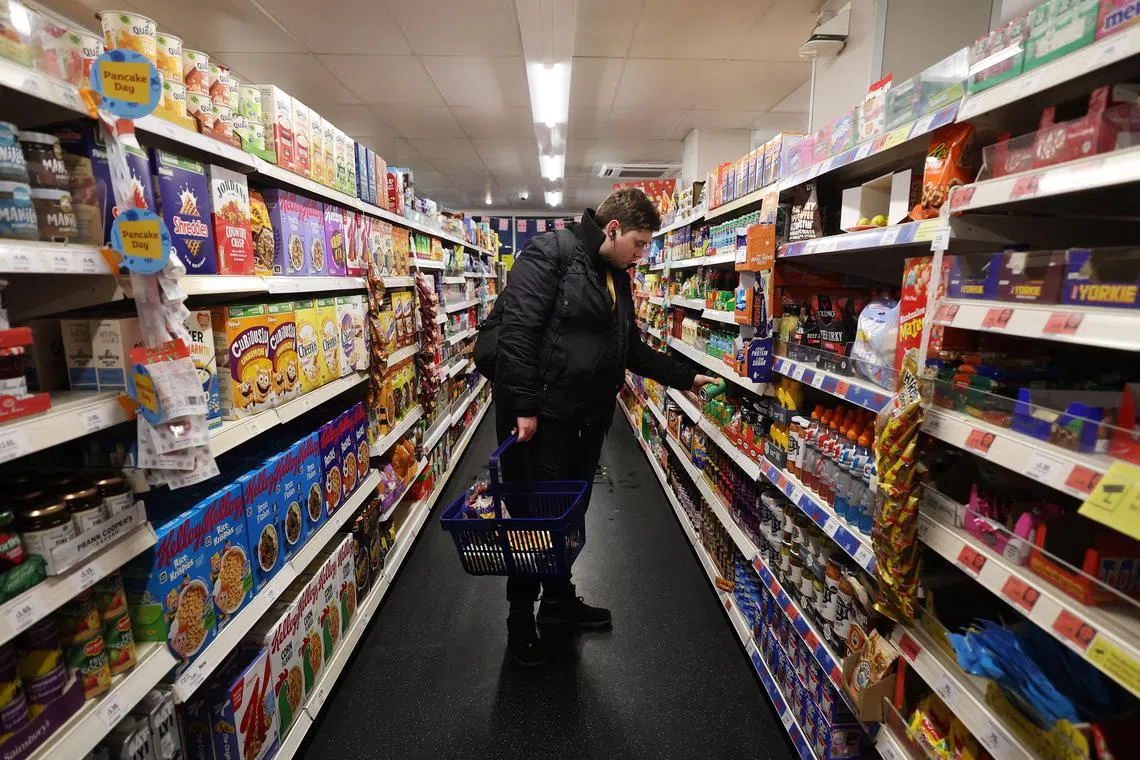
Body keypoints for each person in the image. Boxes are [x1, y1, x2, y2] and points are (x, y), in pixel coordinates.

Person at [491, 188, 715, 665]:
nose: (643, 254)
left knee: (568, 516)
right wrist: (524, 406)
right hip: (542, 423)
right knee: (534, 518)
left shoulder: (618, 279)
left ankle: (556, 602)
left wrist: (683, 376)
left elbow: (629, 349)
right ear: (612, 229)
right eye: (638, 243)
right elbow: (518, 335)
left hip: (588, 422)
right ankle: (518, 617)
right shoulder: (549, 254)